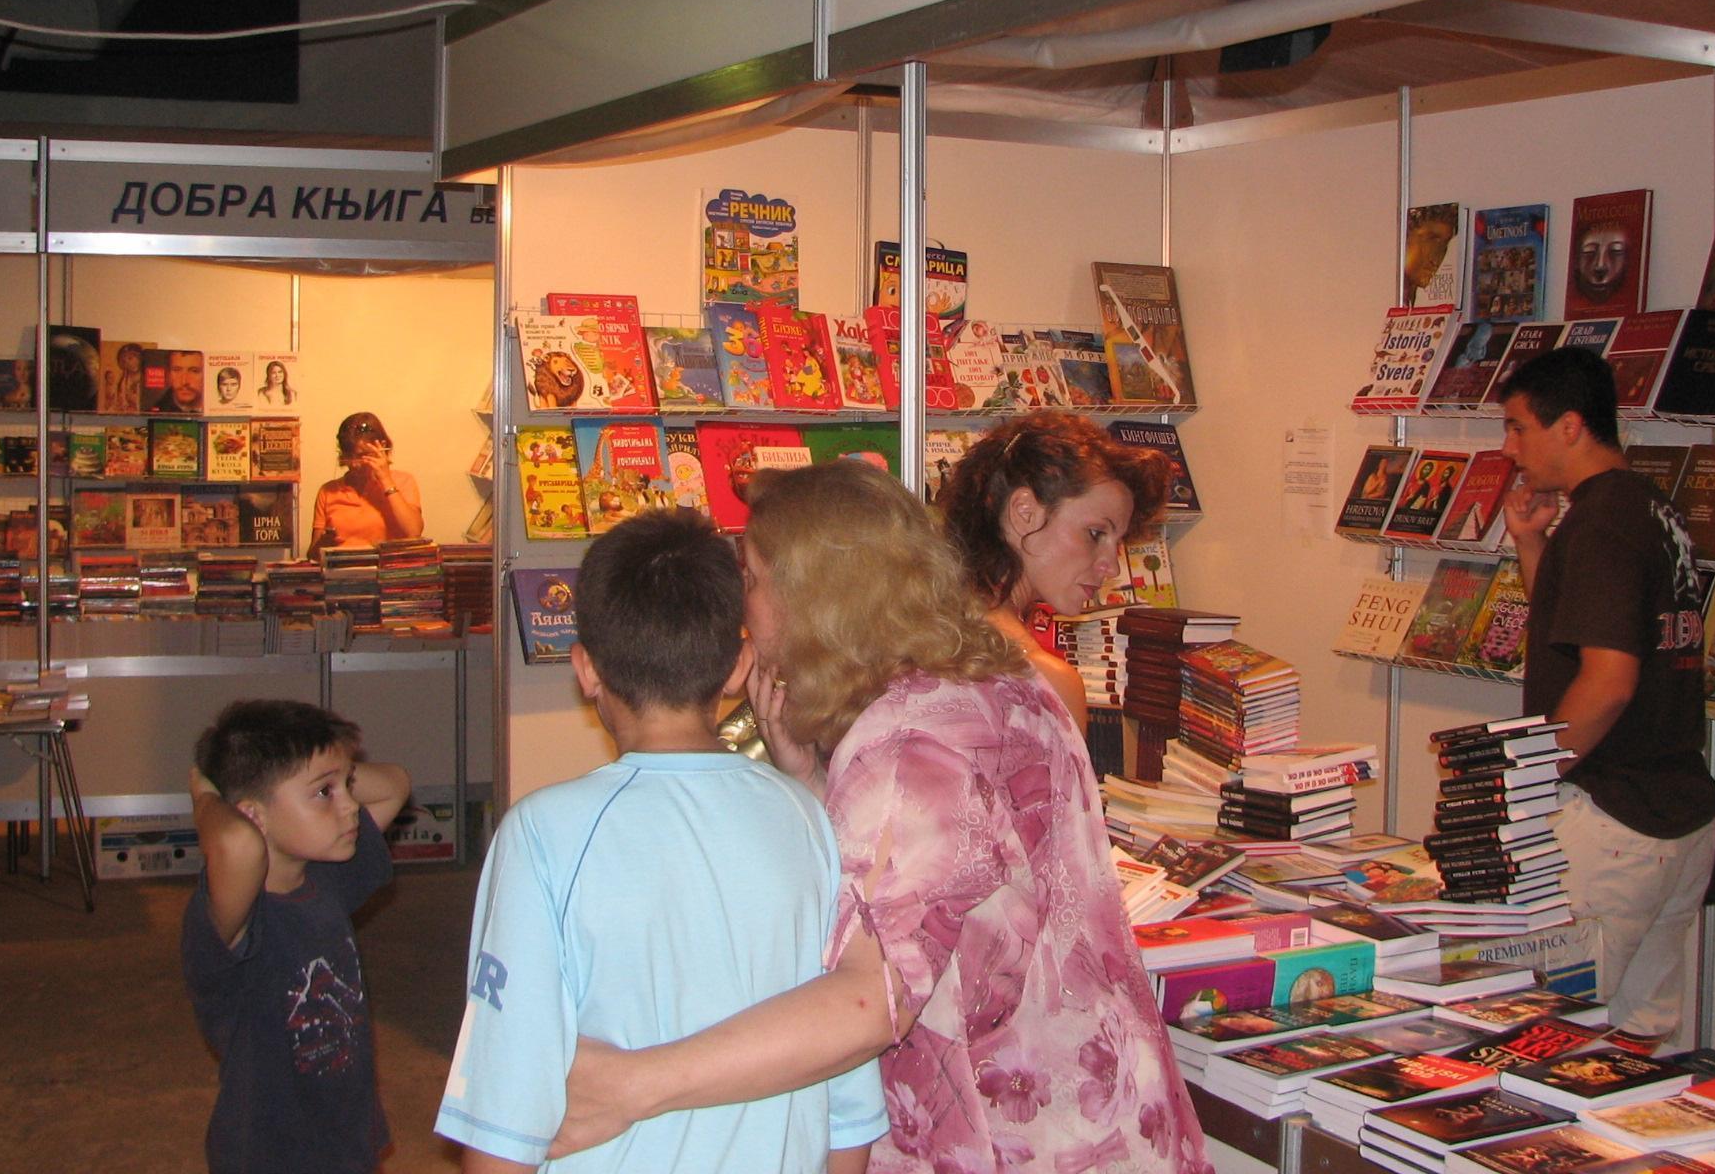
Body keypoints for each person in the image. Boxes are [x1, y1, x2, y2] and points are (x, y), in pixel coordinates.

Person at [549, 461, 1210, 1174]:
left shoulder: (911, 746)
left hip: (1020, 1137)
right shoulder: (994, 676)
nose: (745, 604)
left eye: (755, 578)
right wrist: (814, 780)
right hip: (1096, 1113)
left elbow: (871, 1001)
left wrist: (636, 1083)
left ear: (813, 592)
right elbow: (947, 881)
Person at [435, 508, 888, 1172]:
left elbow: (506, 1101)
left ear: (586, 669)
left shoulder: (540, 834)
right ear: (738, 666)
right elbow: (847, 1098)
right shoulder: (809, 819)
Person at [1498, 347, 1715, 1054]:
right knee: (1634, 1034)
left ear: (1569, 426)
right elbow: (1584, 624)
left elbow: (1609, 681)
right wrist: (1531, 544)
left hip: (1612, 817)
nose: (1509, 450)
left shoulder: (1600, 522)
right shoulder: (1650, 507)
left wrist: (1532, 777)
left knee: (1548, 1035)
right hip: (1676, 815)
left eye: (1518, 428)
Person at [181, 699, 411, 1174]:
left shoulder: (325, 878)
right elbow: (238, 846)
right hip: (269, 1154)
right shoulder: (237, 915)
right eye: (324, 793)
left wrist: (330, 767)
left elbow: (395, 785)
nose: (350, 805)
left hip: (345, 1141)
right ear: (251, 816)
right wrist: (205, 796)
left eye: (347, 785)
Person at [937, 410, 1170, 733]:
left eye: (1118, 542)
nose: (1112, 566)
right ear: (1024, 512)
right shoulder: (1045, 683)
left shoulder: (921, 629)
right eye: (1095, 534)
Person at [309, 413, 424, 552]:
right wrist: (324, 542)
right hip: (343, 564)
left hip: (388, 564)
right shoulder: (328, 491)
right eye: (349, 456)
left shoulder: (404, 481)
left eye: (361, 455)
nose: (354, 464)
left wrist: (386, 480)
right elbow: (313, 554)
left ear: (382, 447)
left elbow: (414, 532)